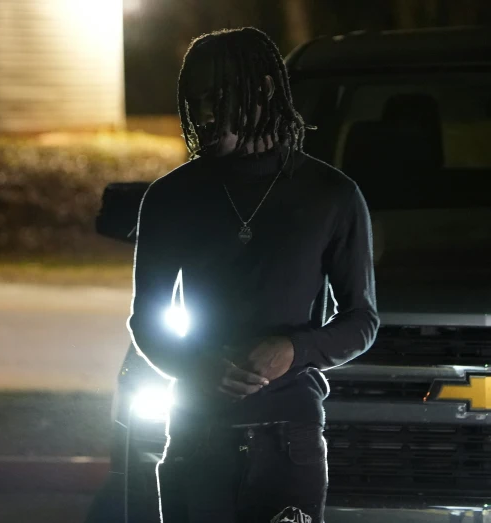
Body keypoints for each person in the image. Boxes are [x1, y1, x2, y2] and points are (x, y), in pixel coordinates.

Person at [127, 27, 379, 523]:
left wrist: (295, 351)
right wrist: (197, 366)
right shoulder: (171, 197)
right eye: (194, 101)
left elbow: (362, 320)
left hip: (290, 439)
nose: (202, 114)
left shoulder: (331, 194)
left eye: (217, 97)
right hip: (196, 437)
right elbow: (146, 320)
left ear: (264, 89)